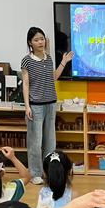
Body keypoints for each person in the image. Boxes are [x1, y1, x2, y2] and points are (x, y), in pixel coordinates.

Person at [21, 26, 73, 185]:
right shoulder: (27, 60)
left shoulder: (48, 58)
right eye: (36, 40)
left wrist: (63, 62)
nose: (40, 42)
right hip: (35, 105)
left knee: (50, 141)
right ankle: (35, 173)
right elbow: (25, 84)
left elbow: (54, 78)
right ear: (30, 42)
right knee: (35, 142)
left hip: (51, 103)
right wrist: (27, 106)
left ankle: (49, 171)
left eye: (42, 39)